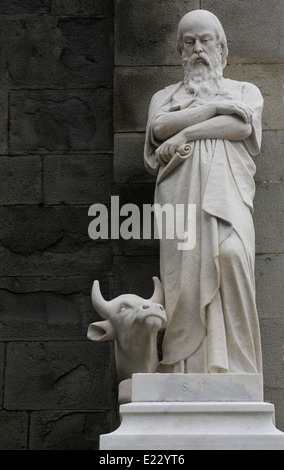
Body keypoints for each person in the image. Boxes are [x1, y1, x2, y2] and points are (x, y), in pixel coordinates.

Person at [144, 10, 264, 374]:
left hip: (227, 195)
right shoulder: (164, 96)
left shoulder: (245, 91)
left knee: (231, 256)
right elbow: (160, 126)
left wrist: (186, 133)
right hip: (179, 198)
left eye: (205, 40)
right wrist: (211, 106)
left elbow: (239, 126)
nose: (198, 49)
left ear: (221, 47)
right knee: (184, 276)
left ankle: (239, 368)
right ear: (181, 50)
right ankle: (184, 365)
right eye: (190, 42)